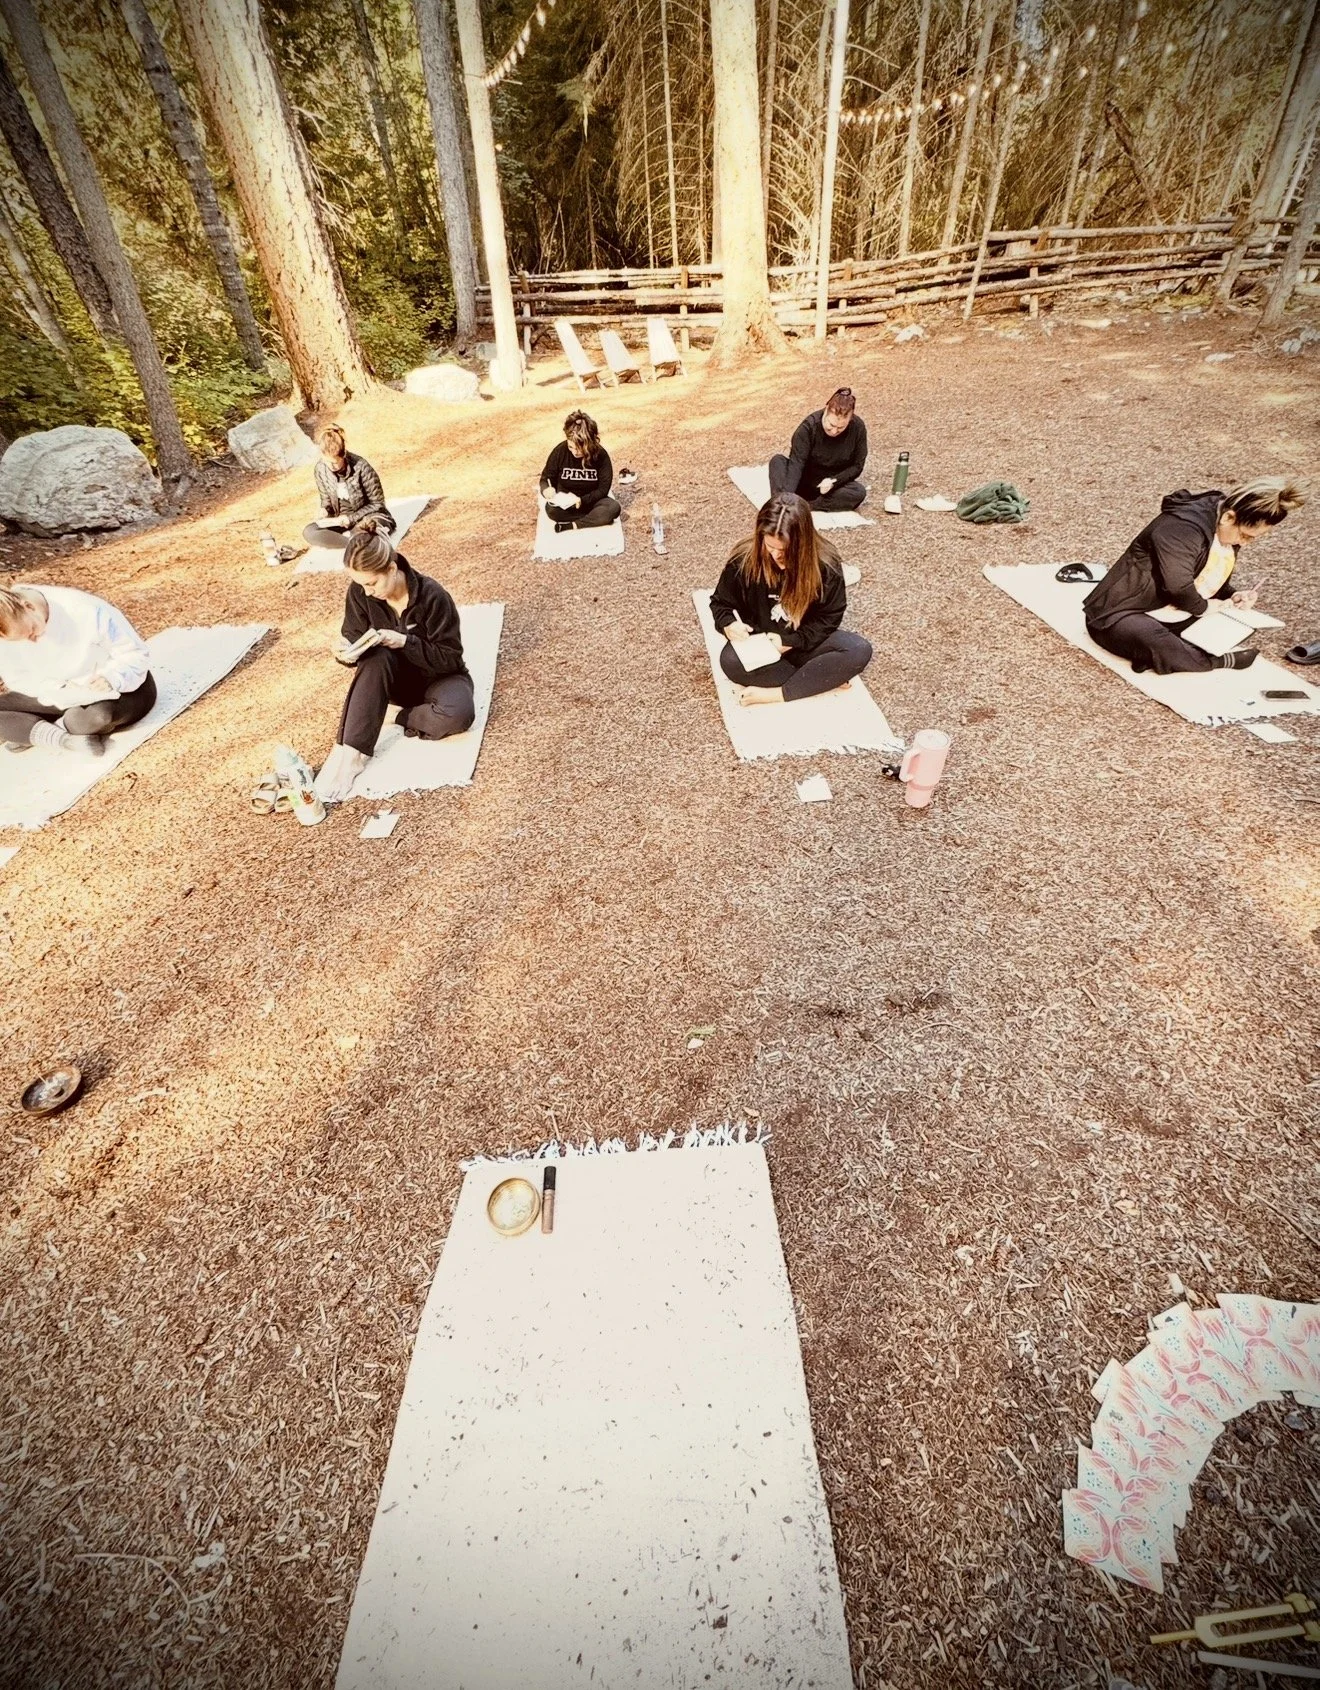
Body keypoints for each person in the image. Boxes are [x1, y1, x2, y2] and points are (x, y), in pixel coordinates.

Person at [313, 526, 474, 802]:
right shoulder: (360, 594)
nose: (367, 591)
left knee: (460, 714)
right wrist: (344, 653)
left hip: (439, 676)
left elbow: (450, 657)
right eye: (361, 584)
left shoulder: (432, 595)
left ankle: (397, 715)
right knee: (375, 660)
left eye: (372, 583)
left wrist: (404, 641)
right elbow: (356, 641)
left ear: (391, 568)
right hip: (392, 678)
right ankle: (351, 758)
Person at [1084, 480, 1306, 674]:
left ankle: (1162, 656)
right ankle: (1213, 661)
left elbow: (1205, 576)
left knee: (1221, 627)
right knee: (1152, 637)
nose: (1245, 542)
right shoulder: (1180, 529)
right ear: (1229, 517)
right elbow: (1178, 587)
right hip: (1122, 611)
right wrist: (1205, 608)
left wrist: (1233, 594)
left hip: (1172, 610)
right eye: (1245, 535)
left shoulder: (1223, 525)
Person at [710, 493, 872, 706]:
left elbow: (829, 617)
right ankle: (819, 678)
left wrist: (789, 642)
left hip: (805, 643)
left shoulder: (826, 564)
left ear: (802, 544)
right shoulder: (744, 559)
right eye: (770, 547)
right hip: (761, 644)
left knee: (858, 649)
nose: (776, 556)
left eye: (785, 550)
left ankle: (780, 692)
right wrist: (729, 625)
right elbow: (721, 603)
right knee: (730, 661)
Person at [0, 583, 155, 757]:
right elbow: (18, 678)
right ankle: (61, 738)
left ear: (29, 606)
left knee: (98, 717)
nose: (33, 641)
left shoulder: (85, 609)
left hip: (118, 690)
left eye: (32, 632)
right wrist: (58, 690)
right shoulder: (7, 634)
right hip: (62, 695)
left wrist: (111, 678)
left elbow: (135, 654)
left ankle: (35, 731)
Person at [770, 388, 868, 513]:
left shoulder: (858, 428)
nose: (834, 431)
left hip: (829, 488)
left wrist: (835, 481)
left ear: (850, 419)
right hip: (803, 480)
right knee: (777, 462)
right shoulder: (808, 428)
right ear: (826, 410)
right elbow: (797, 464)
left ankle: (809, 506)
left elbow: (857, 466)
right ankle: (783, 503)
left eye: (840, 428)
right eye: (831, 425)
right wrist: (788, 497)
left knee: (858, 492)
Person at [303, 425, 395, 551]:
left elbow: (377, 503)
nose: (331, 466)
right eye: (327, 462)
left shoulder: (361, 466)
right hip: (340, 519)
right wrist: (325, 510)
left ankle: (359, 540)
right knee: (309, 531)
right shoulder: (320, 469)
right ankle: (353, 543)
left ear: (343, 455)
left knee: (367, 529)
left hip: (367, 515)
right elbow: (326, 500)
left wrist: (351, 519)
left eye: (335, 463)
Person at [539, 411, 621, 532]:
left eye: (580, 448)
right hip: (566, 504)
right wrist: (546, 489)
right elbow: (546, 478)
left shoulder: (601, 455)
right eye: (571, 447)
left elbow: (603, 489)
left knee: (613, 508)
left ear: (589, 443)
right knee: (551, 510)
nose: (575, 452)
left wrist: (582, 501)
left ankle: (573, 525)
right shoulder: (560, 451)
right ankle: (593, 519)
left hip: (592, 502)